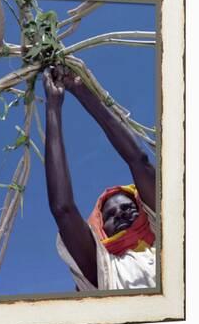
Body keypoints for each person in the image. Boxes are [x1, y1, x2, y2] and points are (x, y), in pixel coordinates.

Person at [42, 65, 157, 291]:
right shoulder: (104, 269)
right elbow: (63, 209)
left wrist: (82, 91)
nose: (120, 213)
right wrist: (53, 107)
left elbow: (139, 161)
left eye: (127, 207)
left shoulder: (169, 239)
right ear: (102, 229)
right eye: (111, 215)